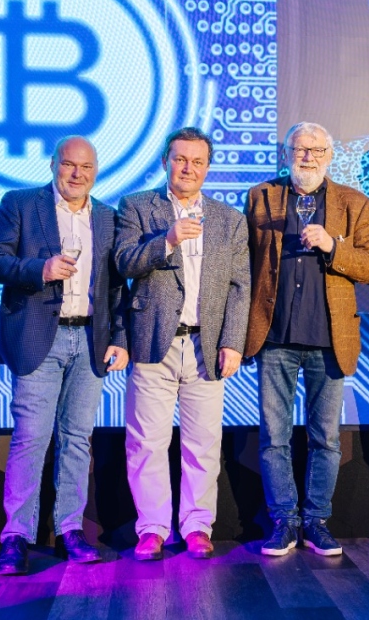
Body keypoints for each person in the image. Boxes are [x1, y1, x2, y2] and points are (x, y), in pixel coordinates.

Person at [0, 136, 129, 573]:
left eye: (86, 167)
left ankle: (70, 529)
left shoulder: (108, 216)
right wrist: (39, 270)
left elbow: (117, 286)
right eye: (69, 164)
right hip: (37, 336)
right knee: (30, 438)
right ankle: (16, 536)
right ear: (53, 165)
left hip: (91, 340)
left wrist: (120, 337)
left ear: (96, 171)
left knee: (77, 439)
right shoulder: (21, 203)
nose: (77, 174)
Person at [243, 122, 369, 557]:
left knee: (326, 438)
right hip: (275, 336)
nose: (308, 156)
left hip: (329, 338)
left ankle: (317, 521)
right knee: (274, 436)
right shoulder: (261, 196)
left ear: (330, 155)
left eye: (317, 150)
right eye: (300, 149)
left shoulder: (354, 203)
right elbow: (244, 261)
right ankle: (284, 521)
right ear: (286, 153)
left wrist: (333, 247)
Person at [114, 128, 250, 561]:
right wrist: (167, 240)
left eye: (197, 161)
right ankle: (152, 528)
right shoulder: (137, 206)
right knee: (146, 442)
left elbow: (240, 287)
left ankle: (196, 525)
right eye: (180, 159)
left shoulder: (229, 219)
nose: (188, 168)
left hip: (206, 345)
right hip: (153, 341)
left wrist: (233, 342)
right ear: (165, 162)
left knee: (203, 442)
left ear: (208, 168)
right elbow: (123, 262)